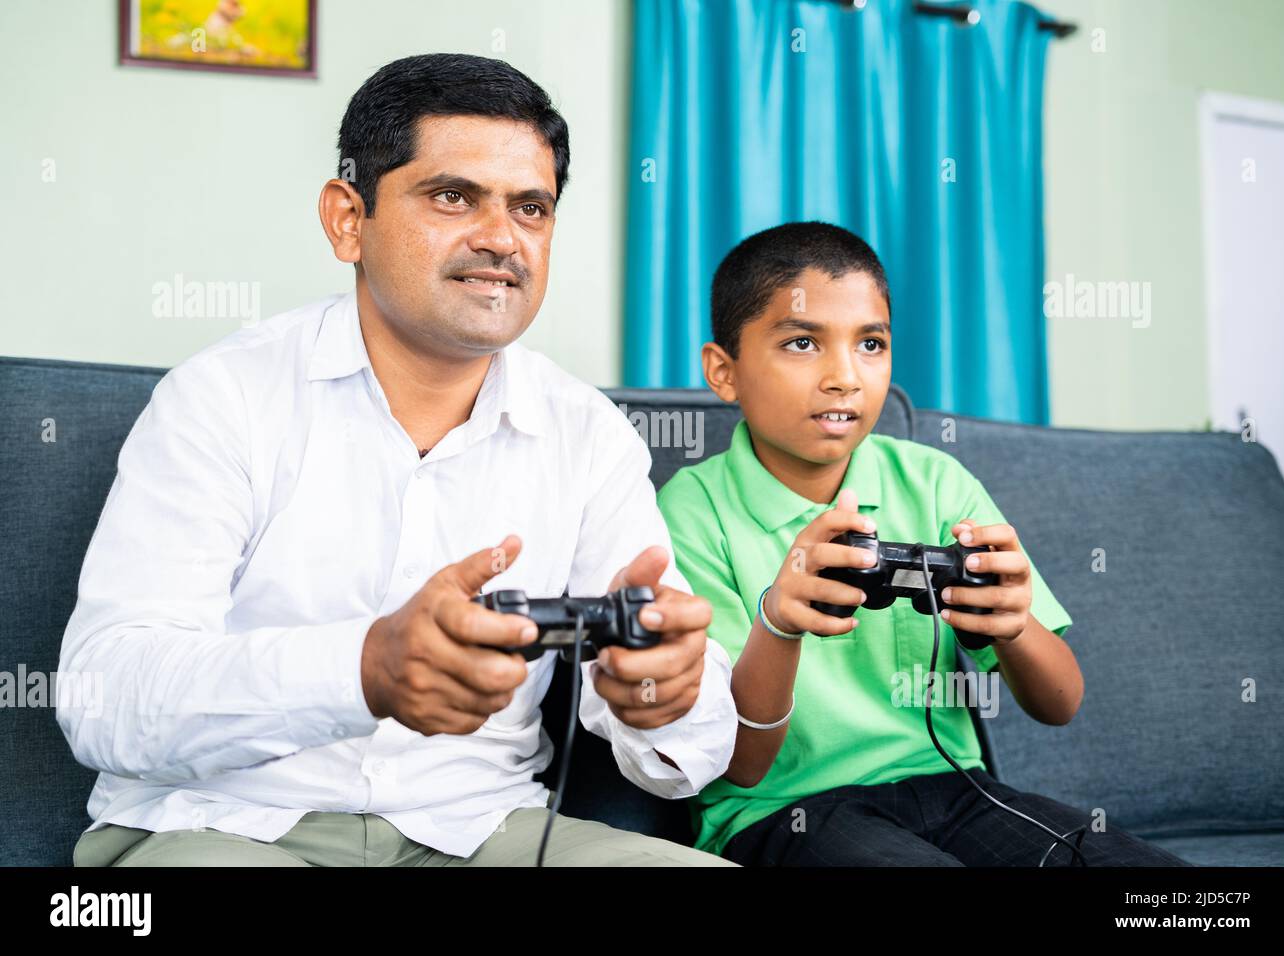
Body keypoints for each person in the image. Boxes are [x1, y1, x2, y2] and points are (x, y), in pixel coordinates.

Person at [59, 53, 737, 868]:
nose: (500, 239)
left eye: (531, 208)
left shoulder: (590, 435)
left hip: (483, 831)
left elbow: (683, 757)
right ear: (349, 218)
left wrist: (663, 695)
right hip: (223, 825)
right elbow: (104, 695)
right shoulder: (221, 397)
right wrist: (364, 668)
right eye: (453, 196)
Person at [656, 221, 1189, 866]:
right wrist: (779, 623)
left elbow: (1060, 704)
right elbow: (740, 765)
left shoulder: (935, 483)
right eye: (802, 342)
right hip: (782, 812)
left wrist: (1016, 627)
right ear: (724, 371)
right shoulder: (691, 511)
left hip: (955, 791)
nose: (844, 376)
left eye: (871, 343)